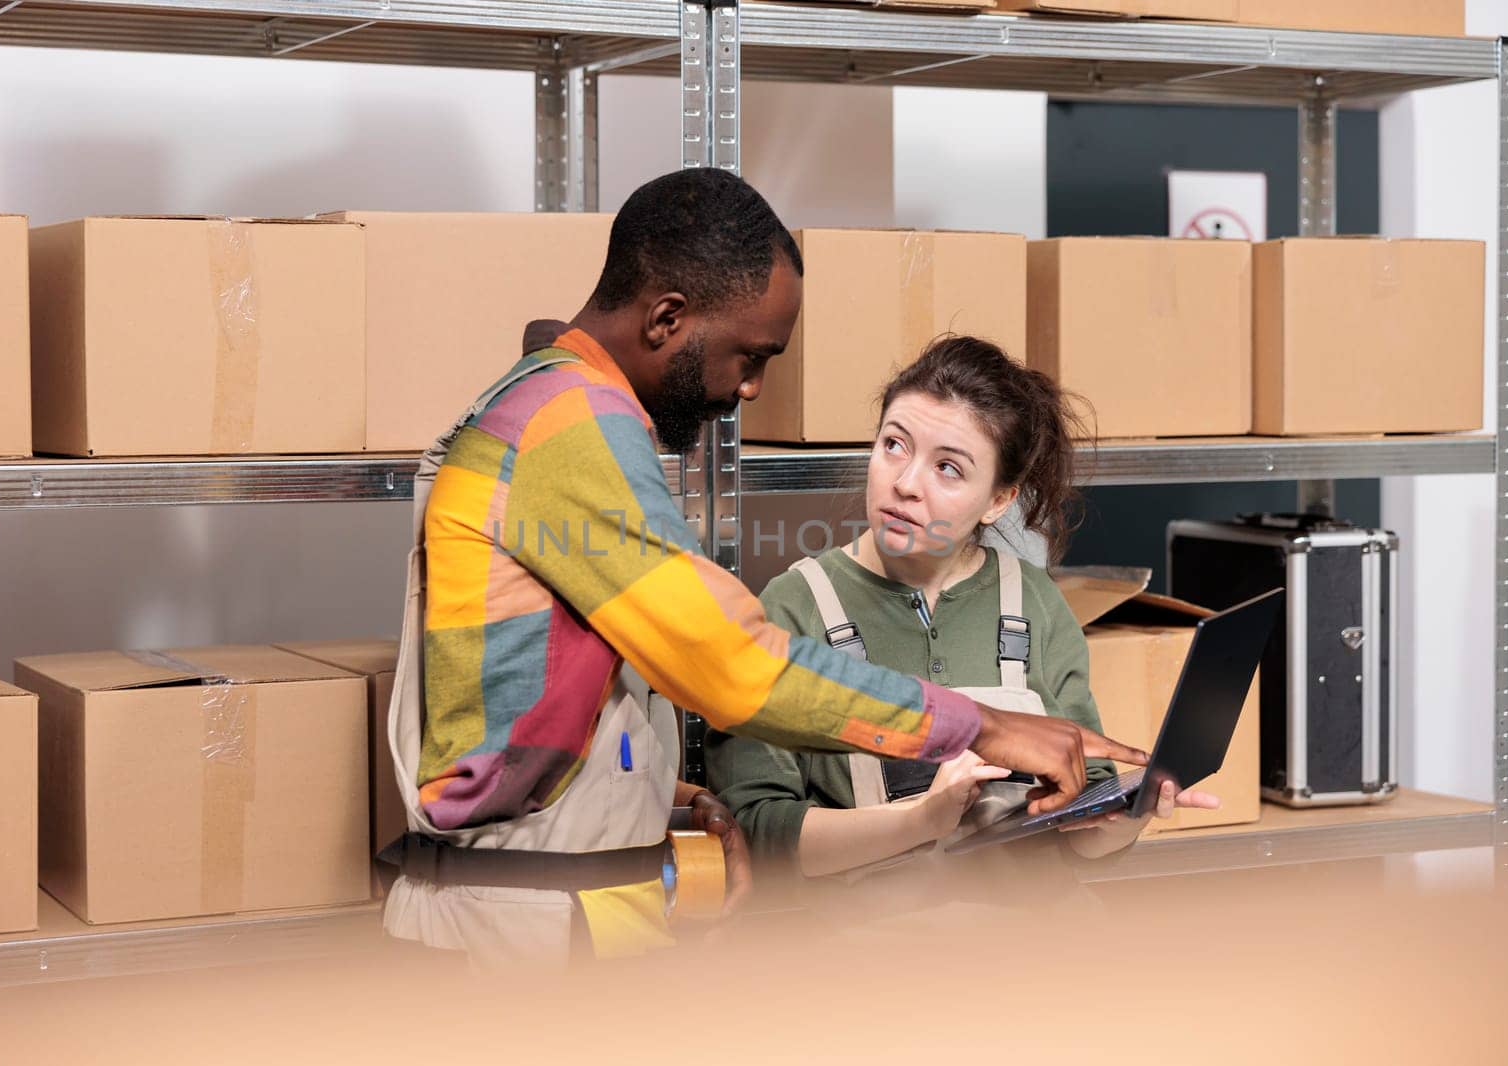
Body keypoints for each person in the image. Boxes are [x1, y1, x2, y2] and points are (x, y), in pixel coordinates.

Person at [381, 170, 1147, 960]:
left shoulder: (552, 412)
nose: (749, 387)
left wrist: (673, 800)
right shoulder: (570, 426)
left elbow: (530, 698)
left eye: (953, 468)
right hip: (526, 932)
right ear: (668, 319)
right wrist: (983, 726)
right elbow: (732, 665)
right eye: (749, 355)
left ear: (1000, 497)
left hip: (558, 910)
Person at [706, 335, 1219, 879]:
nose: (904, 484)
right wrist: (921, 820)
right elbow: (758, 835)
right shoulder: (794, 607)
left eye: (947, 468)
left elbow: (1082, 826)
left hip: (1037, 942)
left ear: (998, 500)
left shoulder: (1034, 601)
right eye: (894, 445)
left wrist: (1127, 815)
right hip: (874, 951)